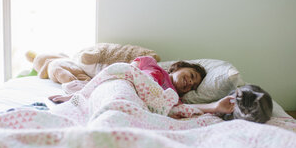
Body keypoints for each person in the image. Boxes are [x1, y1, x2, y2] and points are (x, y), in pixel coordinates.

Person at [49, 56, 235, 115]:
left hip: (145, 105)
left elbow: (181, 109)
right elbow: (128, 70)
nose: (191, 83)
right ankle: (80, 97)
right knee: (120, 71)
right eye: (192, 75)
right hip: (129, 88)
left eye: (194, 86)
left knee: (173, 107)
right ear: (178, 67)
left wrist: (215, 107)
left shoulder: (173, 96)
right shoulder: (150, 63)